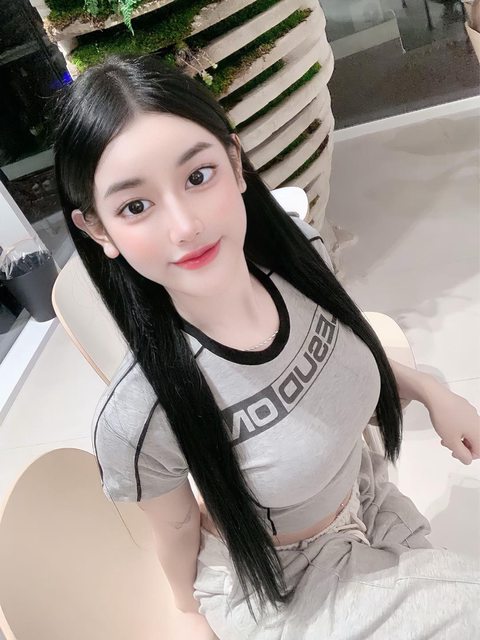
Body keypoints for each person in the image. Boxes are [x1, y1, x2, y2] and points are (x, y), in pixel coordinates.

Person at [52, 54, 480, 639]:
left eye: (197, 177)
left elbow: (345, 350)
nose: (184, 226)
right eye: (136, 206)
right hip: (283, 584)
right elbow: (176, 531)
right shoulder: (139, 415)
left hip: (368, 501)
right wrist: (189, 614)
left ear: (235, 163)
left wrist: (430, 390)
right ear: (99, 230)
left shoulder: (297, 256)